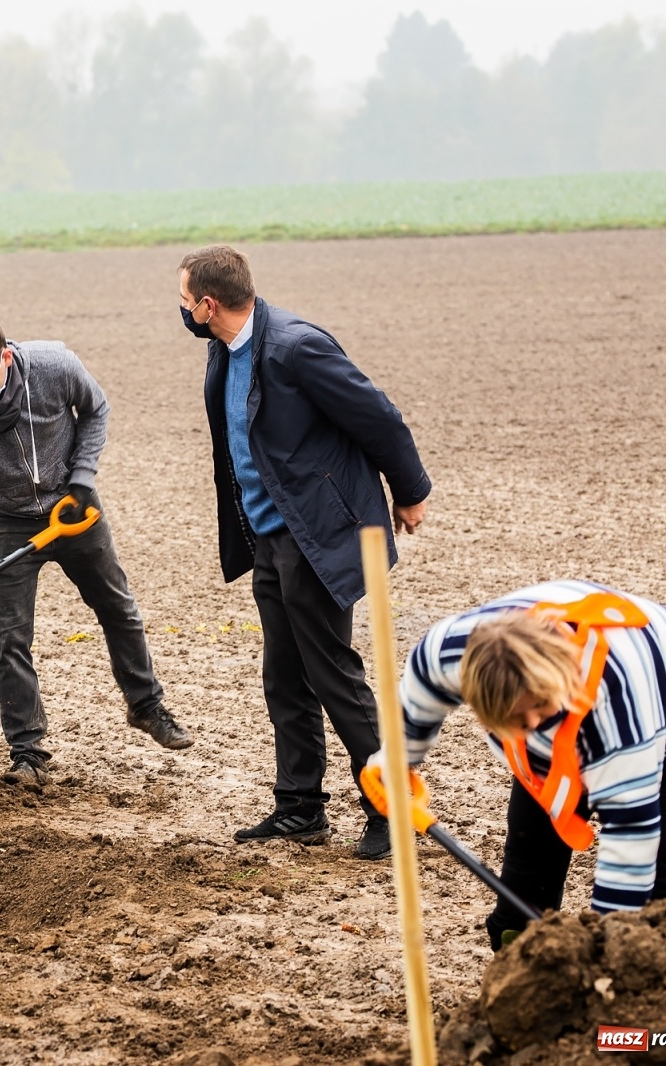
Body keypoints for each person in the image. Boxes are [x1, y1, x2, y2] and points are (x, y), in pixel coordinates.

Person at [178, 243, 431, 860]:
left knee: (333, 675)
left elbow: (380, 418)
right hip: (271, 533)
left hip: (319, 529)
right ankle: (299, 809)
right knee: (284, 675)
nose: (180, 309)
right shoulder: (225, 349)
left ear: (209, 304)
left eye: (184, 300)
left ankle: (392, 811)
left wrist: (410, 491)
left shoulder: (296, 347)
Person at [388, 580, 666, 949]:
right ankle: (520, 955)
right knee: (526, 879)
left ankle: (652, 985)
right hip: (597, 693)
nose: (535, 725)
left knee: (654, 895)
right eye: (516, 720)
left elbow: (631, 835)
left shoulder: (616, 707)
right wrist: (393, 766)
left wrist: (612, 951)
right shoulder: (446, 654)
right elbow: (412, 714)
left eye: (539, 708)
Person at [0, 314, 191, 786]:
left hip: (71, 507)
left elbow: (97, 409)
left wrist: (83, 477)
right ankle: (27, 753)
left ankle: (146, 705)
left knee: (118, 607)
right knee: (9, 638)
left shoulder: (53, 367)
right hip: (3, 519)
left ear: (4, 357)